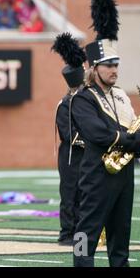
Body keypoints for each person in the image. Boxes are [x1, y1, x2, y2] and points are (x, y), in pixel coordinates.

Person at [71, 0, 140, 267]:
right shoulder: (83, 98)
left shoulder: (121, 95)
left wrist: (134, 138)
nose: (115, 69)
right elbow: (98, 134)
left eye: (116, 64)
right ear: (94, 67)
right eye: (108, 65)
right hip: (96, 176)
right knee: (86, 233)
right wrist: (130, 138)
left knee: (121, 238)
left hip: (123, 175)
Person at [51, 33, 86, 246]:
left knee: (85, 195)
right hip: (71, 157)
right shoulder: (65, 104)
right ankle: (66, 234)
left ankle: (82, 233)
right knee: (70, 194)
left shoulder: (87, 102)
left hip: (87, 155)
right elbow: (69, 134)